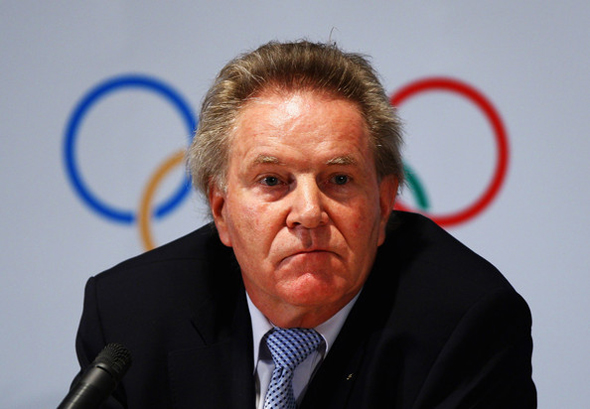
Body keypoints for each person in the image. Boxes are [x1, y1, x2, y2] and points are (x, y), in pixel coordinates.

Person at [73, 40, 536, 408]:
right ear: (222, 210)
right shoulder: (129, 318)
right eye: (273, 180)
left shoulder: (468, 324)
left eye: (339, 179)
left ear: (383, 203)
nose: (310, 212)